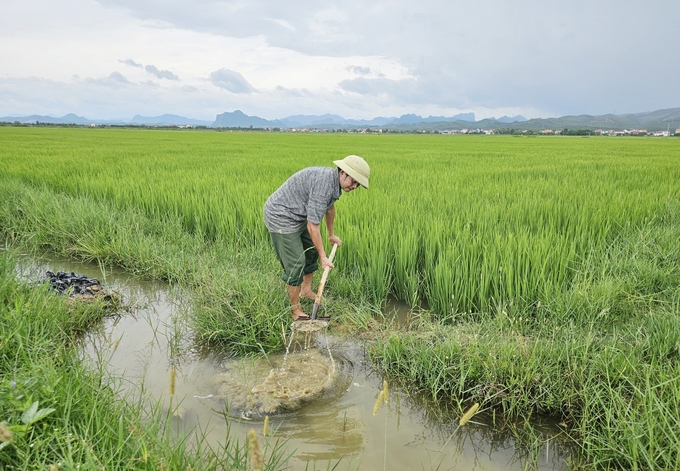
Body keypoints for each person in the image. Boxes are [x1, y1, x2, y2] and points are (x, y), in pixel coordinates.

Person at [263, 155, 370, 321]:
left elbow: (330, 209)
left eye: (358, 184)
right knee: (296, 263)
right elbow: (312, 226)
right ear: (342, 173)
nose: (354, 186)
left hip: (298, 215)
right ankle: (295, 309)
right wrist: (323, 258)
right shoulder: (324, 186)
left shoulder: (334, 183)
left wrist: (331, 235)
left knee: (311, 250)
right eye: (353, 181)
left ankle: (306, 290)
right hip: (281, 216)